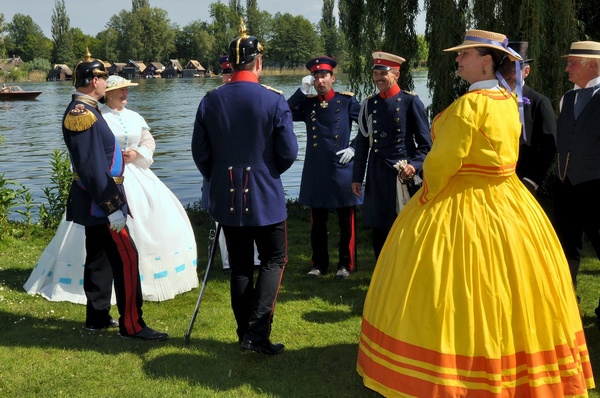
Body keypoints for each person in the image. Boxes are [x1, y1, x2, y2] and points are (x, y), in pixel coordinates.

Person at [356, 30, 594, 396]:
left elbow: (441, 163)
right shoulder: (508, 99)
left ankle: (456, 367)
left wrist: (427, 194)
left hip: (465, 197)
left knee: (453, 281)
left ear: (485, 60)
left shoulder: (471, 105)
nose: (457, 59)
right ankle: (514, 363)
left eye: (464, 55)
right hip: (510, 200)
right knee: (511, 282)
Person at [24, 75, 199, 304]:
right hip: (108, 182)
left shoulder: (135, 116)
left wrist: (138, 154)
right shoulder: (95, 116)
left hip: (138, 175)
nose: (125, 94)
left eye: (127, 90)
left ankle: (135, 288)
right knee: (103, 244)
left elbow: (148, 141)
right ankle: (112, 300)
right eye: (120, 90)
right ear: (108, 92)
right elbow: (88, 157)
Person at [192, 23, 298, 355]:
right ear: (258, 63)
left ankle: (245, 335)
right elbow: (288, 153)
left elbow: (201, 153)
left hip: (227, 196)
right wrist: (268, 174)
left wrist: (221, 179)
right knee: (274, 260)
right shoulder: (274, 99)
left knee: (240, 266)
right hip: (265, 195)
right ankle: (256, 334)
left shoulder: (210, 100)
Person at [59, 50, 167, 340]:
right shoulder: (82, 113)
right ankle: (133, 325)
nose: (107, 82)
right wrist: (111, 207)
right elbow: (92, 168)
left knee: (98, 258)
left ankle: (96, 318)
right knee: (127, 258)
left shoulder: (88, 109)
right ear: (94, 80)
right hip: (101, 201)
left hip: (98, 198)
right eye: (104, 77)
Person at [287, 56, 362, 279]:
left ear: (332, 78)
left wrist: (354, 148)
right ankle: (318, 264)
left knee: (345, 219)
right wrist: (301, 91)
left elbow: (367, 127)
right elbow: (285, 113)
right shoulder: (308, 103)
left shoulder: (347, 101)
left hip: (342, 167)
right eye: (316, 77)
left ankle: (345, 265)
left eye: (324, 76)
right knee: (317, 221)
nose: (320, 81)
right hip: (317, 168)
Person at [351, 51, 431, 259]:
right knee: (379, 227)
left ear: (396, 74)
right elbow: (362, 144)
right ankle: (381, 273)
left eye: (382, 73)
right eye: (375, 73)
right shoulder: (369, 104)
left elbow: (425, 144)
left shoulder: (410, 102)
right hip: (377, 173)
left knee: (406, 225)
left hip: (403, 176)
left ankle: (408, 270)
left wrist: (414, 165)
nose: (378, 78)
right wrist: (357, 177)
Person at [553, 41, 600, 296]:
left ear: (592, 65)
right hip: (566, 186)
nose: (567, 68)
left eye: (572, 62)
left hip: (596, 186)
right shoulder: (567, 98)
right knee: (565, 249)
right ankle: (568, 302)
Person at [498, 41, 556, 196]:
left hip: (524, 182)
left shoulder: (539, 102)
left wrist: (531, 181)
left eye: (513, 69)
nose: (507, 74)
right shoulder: (491, 100)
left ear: (526, 71)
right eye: (503, 68)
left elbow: (548, 148)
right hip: (494, 183)